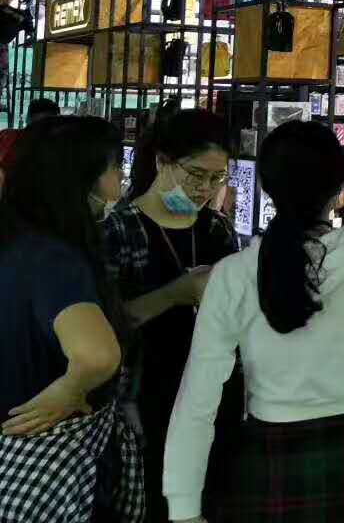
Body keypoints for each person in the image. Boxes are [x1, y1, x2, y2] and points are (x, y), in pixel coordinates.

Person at [164, 121, 344, 523]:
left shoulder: (233, 274)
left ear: (266, 188)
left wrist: (183, 507)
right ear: (338, 188)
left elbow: (197, 399)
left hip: (268, 459)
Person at [0, 116, 144, 521]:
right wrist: (69, 389)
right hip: (49, 467)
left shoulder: (13, 241)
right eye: (116, 168)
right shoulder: (54, 260)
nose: (121, 180)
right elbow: (97, 354)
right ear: (82, 178)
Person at [102, 107, 242, 523]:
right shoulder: (120, 229)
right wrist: (176, 294)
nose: (205, 188)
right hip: (145, 402)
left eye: (218, 178)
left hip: (211, 398)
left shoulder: (215, 229)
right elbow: (106, 325)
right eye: (195, 174)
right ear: (162, 161)